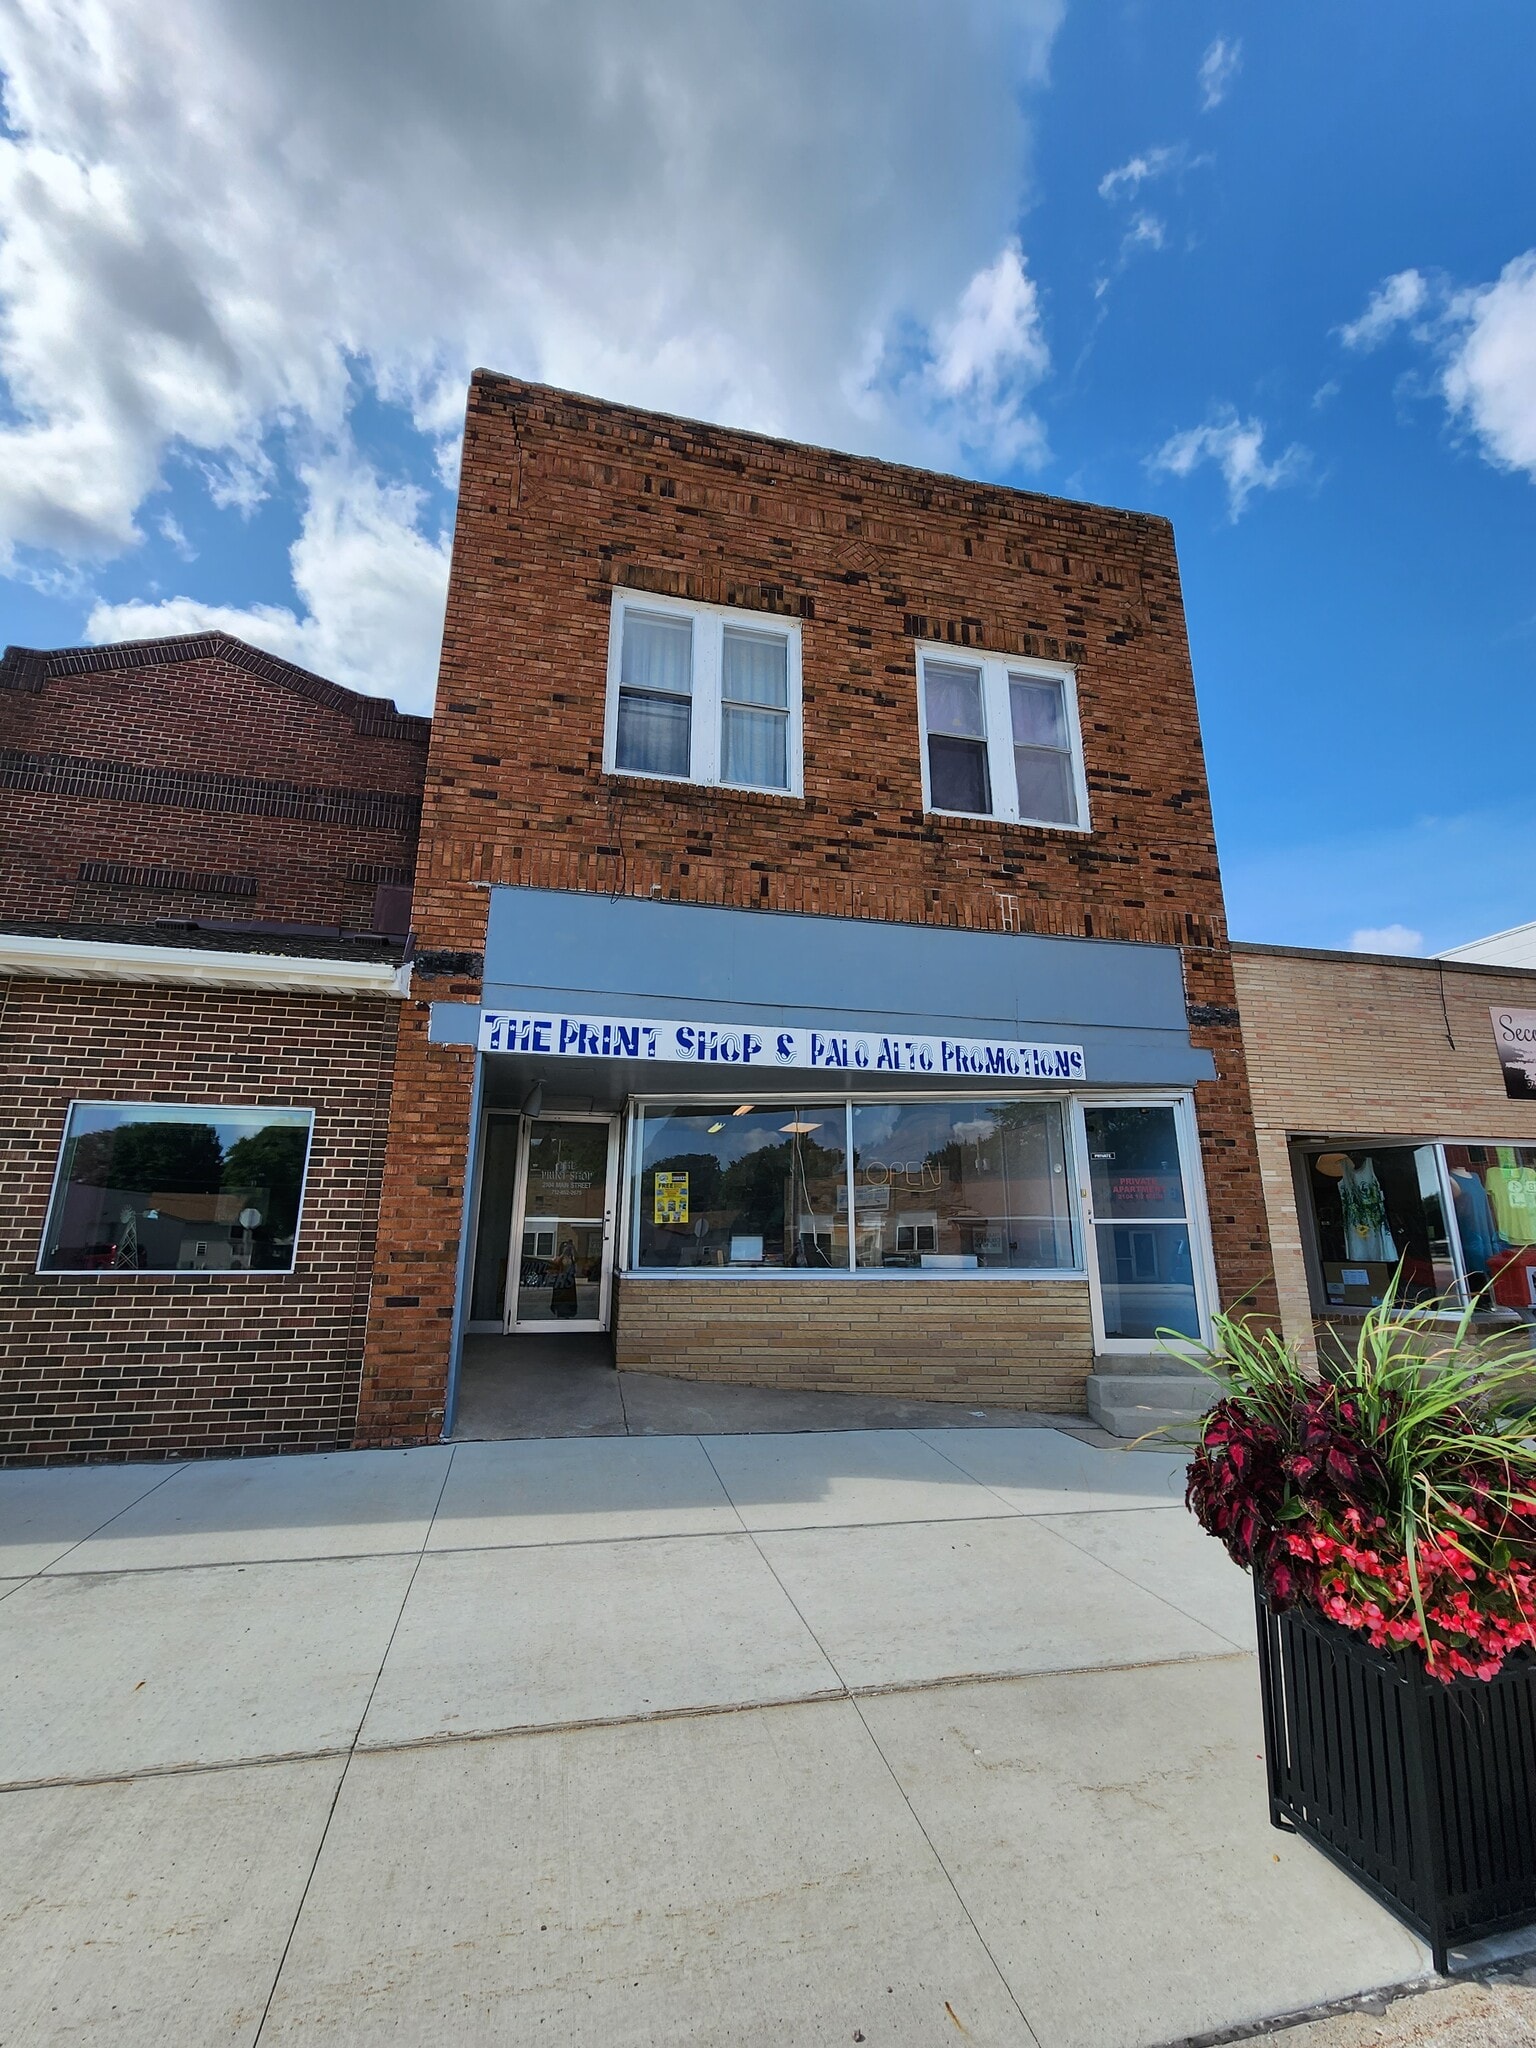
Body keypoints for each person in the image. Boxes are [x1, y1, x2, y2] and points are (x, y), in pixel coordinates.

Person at [550, 1238, 579, 1319]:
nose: (566, 1249)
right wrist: (563, 1253)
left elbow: (577, 1258)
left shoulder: (571, 1258)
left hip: (569, 1283)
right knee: (560, 1299)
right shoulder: (558, 1258)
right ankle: (559, 1314)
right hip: (560, 1283)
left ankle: (568, 1314)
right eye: (564, 1247)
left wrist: (572, 1247)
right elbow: (555, 1264)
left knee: (569, 1300)